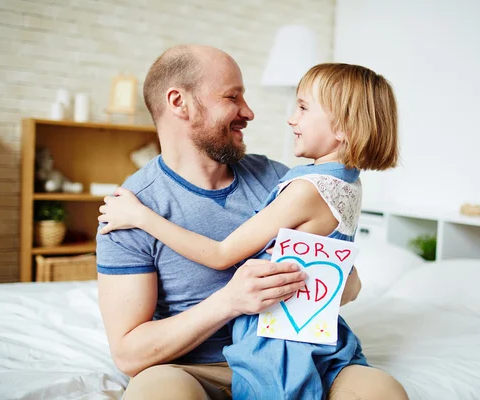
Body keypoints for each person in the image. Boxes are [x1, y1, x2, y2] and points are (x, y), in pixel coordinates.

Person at [96, 44, 408, 400]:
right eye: (233, 97)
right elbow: (128, 354)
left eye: (303, 107)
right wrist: (230, 301)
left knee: (382, 392)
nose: (250, 112)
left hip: (300, 355)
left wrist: (337, 282)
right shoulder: (130, 210)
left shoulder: (280, 179)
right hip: (194, 367)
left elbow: (344, 276)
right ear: (178, 102)